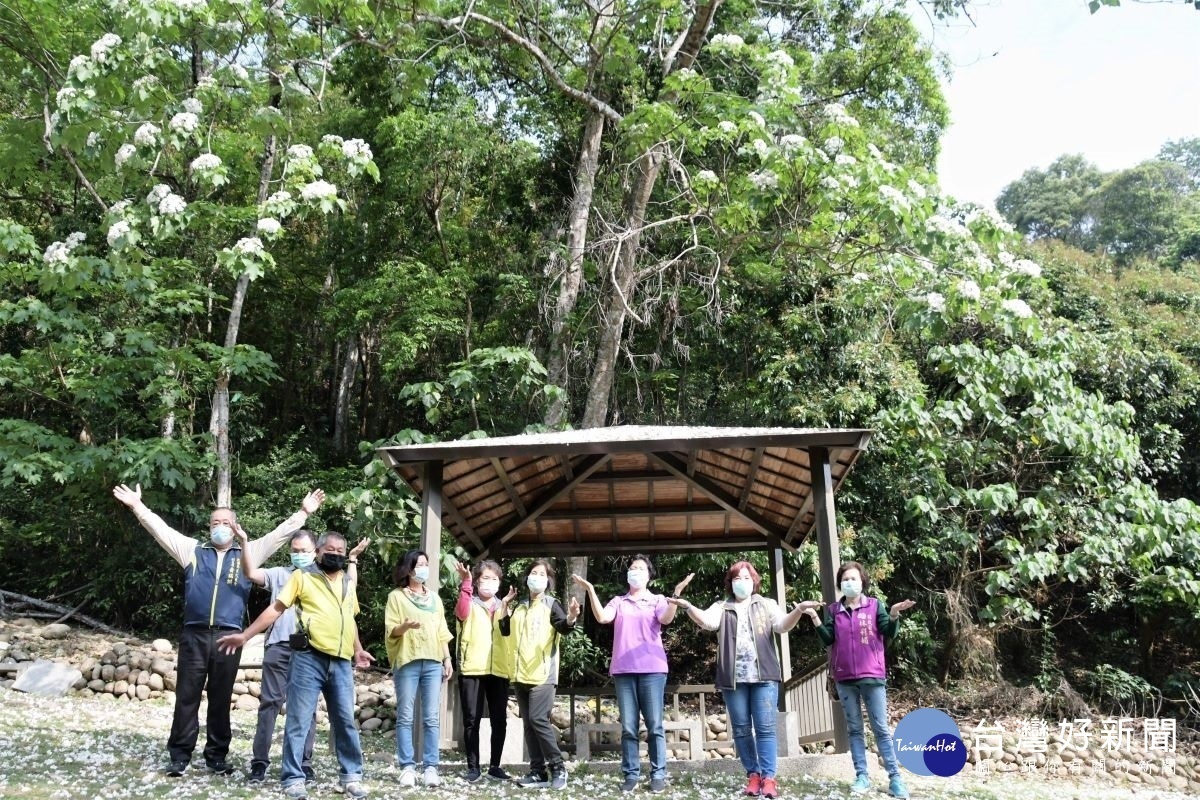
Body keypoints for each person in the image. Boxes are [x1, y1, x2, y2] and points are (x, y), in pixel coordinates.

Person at [112, 482, 325, 777]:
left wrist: (303, 512)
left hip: (229, 636)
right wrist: (138, 506)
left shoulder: (248, 552)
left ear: (235, 525)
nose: (221, 527)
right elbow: (161, 530)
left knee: (221, 697)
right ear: (208, 526)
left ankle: (216, 756)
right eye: (215, 523)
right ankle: (179, 755)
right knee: (187, 695)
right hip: (194, 633)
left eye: (226, 522)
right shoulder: (192, 550)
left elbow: (280, 535)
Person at [217, 531, 373, 800]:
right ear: (319, 551)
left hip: (341, 662)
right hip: (308, 657)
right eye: (330, 549)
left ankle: (351, 777)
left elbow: (349, 618)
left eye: (340, 550)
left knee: (345, 721)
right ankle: (292, 778)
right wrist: (245, 635)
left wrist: (358, 650)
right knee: (299, 720)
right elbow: (275, 609)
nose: (335, 554)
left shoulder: (347, 582)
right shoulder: (301, 577)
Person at [671, 561, 814, 799]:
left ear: (754, 581)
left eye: (747, 578)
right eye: (737, 578)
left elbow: (781, 625)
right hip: (733, 679)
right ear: (730, 583)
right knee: (741, 730)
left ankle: (769, 779)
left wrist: (798, 611)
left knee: (766, 729)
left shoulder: (766, 604)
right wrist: (687, 607)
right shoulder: (722, 606)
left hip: (765, 676)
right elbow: (707, 621)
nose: (742, 582)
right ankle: (753, 776)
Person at [572, 557, 692, 793]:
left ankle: (658, 774)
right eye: (631, 568)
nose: (634, 572)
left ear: (649, 575)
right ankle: (631, 774)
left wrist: (675, 597)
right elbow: (603, 618)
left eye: (639, 569)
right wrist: (591, 590)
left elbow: (666, 619)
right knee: (628, 727)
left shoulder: (657, 599)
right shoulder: (619, 601)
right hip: (624, 670)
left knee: (655, 725)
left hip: (653, 670)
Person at [802, 562, 915, 800]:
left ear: (863, 581)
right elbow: (828, 638)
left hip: (873, 676)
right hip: (844, 677)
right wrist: (814, 617)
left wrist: (894, 613)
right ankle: (862, 776)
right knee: (854, 730)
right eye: (845, 579)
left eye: (853, 578)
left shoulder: (874, 606)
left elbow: (889, 632)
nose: (849, 582)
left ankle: (895, 779)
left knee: (881, 729)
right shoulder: (834, 609)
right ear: (840, 583)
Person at [500, 559, 580, 791]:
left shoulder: (551, 604)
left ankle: (558, 768)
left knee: (538, 720)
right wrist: (505, 606)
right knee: (528, 724)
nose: (536, 577)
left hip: (543, 674)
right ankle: (537, 772)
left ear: (548, 581)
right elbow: (506, 631)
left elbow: (563, 627)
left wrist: (572, 617)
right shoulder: (521, 605)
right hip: (520, 674)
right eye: (533, 573)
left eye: (542, 574)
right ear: (527, 578)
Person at [385, 550, 454, 789]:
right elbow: (391, 631)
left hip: (434, 661)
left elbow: (442, 631)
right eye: (419, 564)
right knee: (405, 716)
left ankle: (431, 767)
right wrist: (403, 627)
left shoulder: (435, 598)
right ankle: (407, 767)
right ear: (408, 568)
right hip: (407, 660)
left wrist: (447, 658)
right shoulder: (396, 597)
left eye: (426, 564)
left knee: (432, 717)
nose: (424, 568)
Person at [453, 558, 515, 783]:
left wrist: (506, 606)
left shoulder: (503, 605)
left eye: (494, 578)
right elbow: (460, 613)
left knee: (500, 719)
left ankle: (495, 766)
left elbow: (507, 633)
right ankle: (473, 767)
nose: (489, 582)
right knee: (472, 720)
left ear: (499, 582)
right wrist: (466, 584)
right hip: (472, 667)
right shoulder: (468, 600)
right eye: (485, 578)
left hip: (499, 669)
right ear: (477, 581)